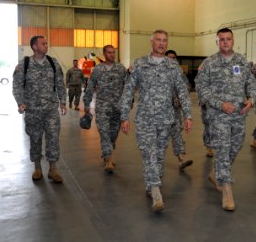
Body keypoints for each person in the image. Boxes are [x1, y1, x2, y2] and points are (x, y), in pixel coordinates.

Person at [120, 30, 192, 212]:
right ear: (151, 42)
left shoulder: (173, 66)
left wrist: (188, 115)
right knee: (149, 153)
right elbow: (128, 90)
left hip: (166, 118)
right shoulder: (140, 64)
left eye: (164, 41)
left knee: (159, 155)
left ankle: (151, 184)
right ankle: (156, 189)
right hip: (145, 119)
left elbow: (183, 91)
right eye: (158, 40)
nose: (161, 43)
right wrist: (124, 116)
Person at [196, 28, 256, 211]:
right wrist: (219, 104)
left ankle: (217, 172)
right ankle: (226, 189)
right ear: (217, 42)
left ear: (233, 40)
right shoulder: (209, 63)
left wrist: (251, 100)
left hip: (239, 114)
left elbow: (251, 84)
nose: (225, 42)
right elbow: (201, 88)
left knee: (236, 146)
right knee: (223, 149)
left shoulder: (242, 62)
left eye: (228, 39)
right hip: (218, 115)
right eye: (221, 39)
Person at [12, 35, 67, 183]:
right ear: (34, 47)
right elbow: (17, 85)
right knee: (35, 139)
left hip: (51, 109)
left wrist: (63, 101)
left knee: (53, 138)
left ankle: (53, 170)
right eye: (43, 44)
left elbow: (60, 83)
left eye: (46, 43)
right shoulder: (25, 64)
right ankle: (37, 168)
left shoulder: (53, 62)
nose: (46, 45)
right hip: (32, 110)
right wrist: (20, 102)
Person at [83, 45, 127, 173]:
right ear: (104, 54)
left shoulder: (121, 69)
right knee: (104, 132)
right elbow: (90, 86)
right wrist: (87, 104)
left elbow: (128, 86)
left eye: (114, 52)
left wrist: (129, 102)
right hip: (102, 107)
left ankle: (108, 153)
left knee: (113, 134)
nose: (112, 54)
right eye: (109, 52)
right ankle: (108, 159)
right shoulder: (98, 69)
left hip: (117, 107)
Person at [165, 49, 193, 170]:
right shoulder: (158, 72)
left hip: (175, 110)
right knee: (158, 137)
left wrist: (178, 100)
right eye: (170, 58)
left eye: (174, 58)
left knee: (177, 134)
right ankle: (155, 162)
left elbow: (186, 87)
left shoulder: (179, 72)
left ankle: (181, 159)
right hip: (159, 112)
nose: (172, 60)